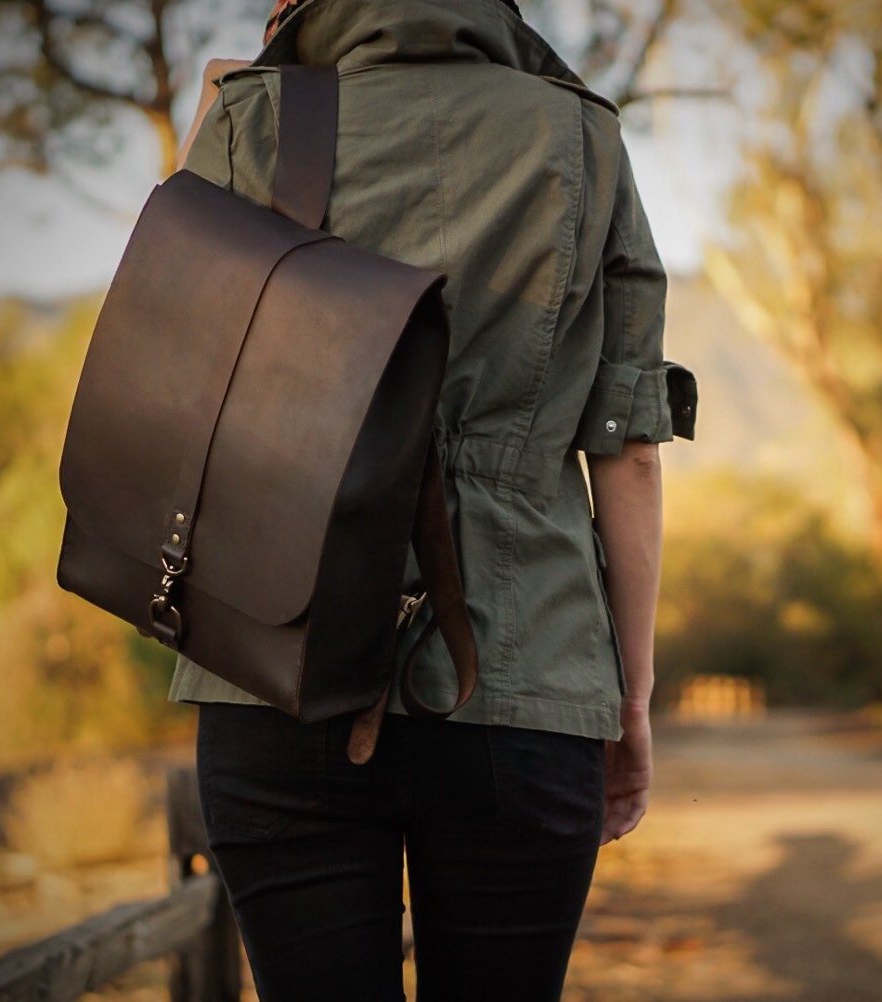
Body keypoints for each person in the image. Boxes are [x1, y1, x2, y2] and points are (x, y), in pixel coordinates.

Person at [165, 0, 692, 997]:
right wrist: (627, 696)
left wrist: (220, 116)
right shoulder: (583, 134)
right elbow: (630, 456)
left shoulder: (260, 115)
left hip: (278, 676)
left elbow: (170, 354)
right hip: (526, 678)